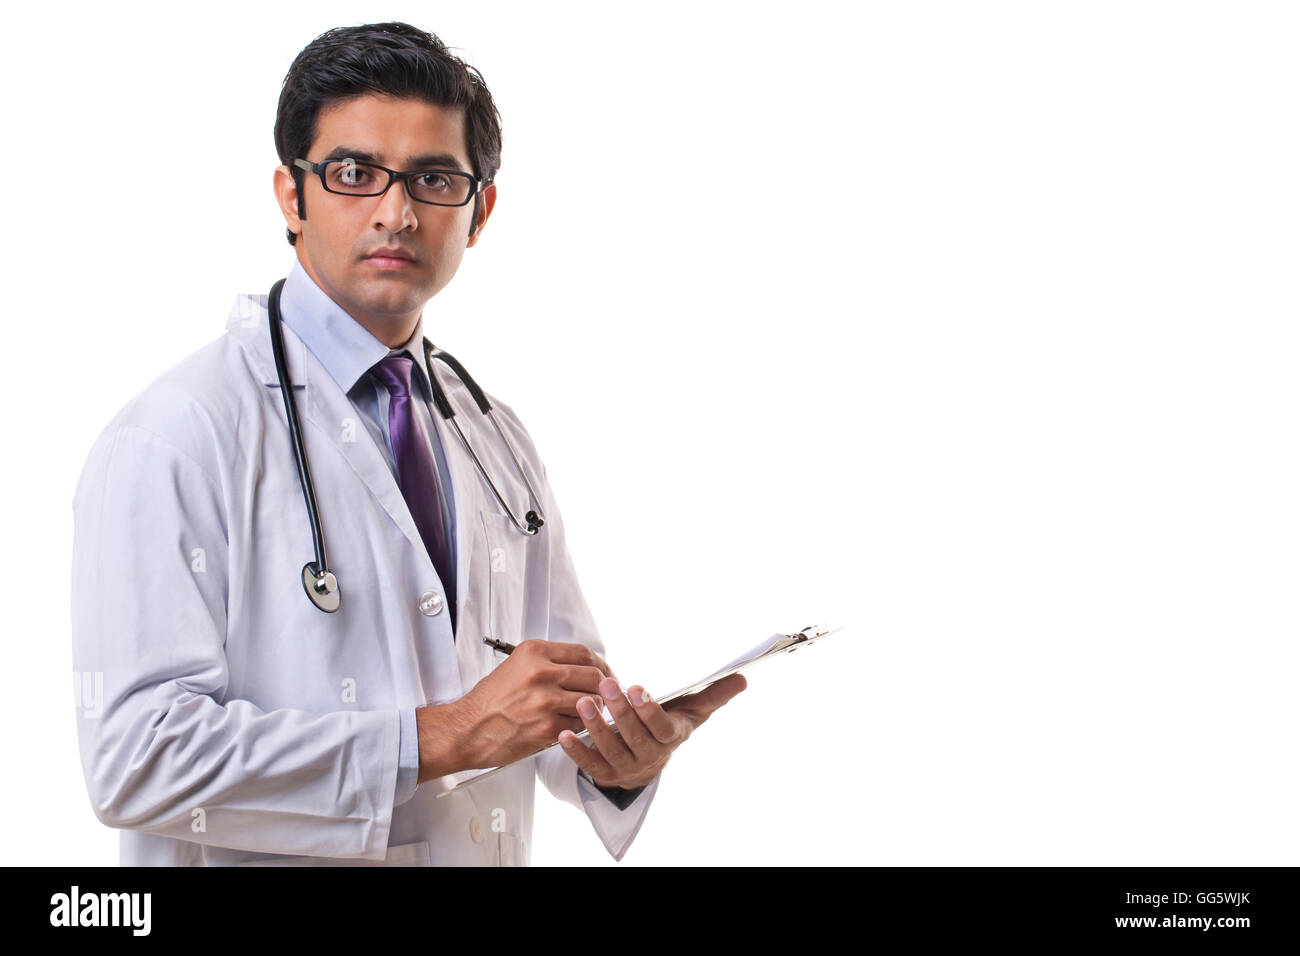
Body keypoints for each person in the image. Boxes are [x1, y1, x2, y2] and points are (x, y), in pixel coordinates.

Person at [70, 21, 746, 866]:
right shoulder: (174, 437)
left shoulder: (496, 439)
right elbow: (136, 760)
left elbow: (553, 698)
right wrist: (440, 738)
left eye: (433, 179)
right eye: (355, 174)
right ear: (291, 194)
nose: (396, 212)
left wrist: (617, 757)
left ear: (480, 209)